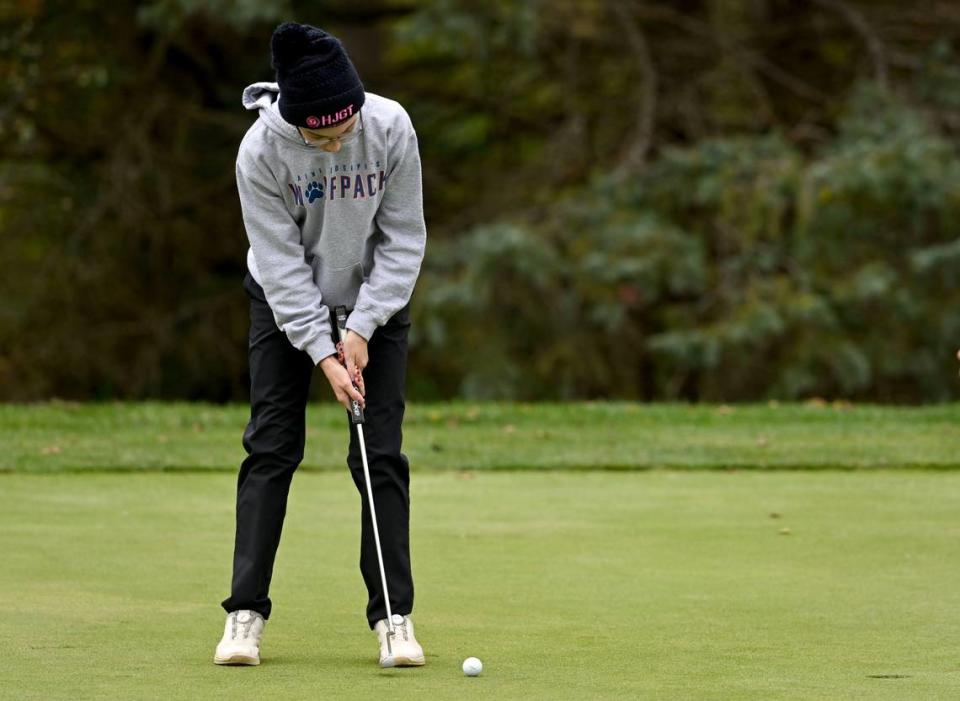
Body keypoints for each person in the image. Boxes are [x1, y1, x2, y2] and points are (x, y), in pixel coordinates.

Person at [213, 21, 427, 668]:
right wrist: (323, 352)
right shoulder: (260, 154)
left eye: (346, 129)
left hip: (376, 299)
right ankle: (243, 616)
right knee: (272, 446)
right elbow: (279, 269)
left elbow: (404, 239)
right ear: (294, 118)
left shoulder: (388, 128)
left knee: (378, 453)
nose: (339, 142)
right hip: (283, 302)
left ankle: (394, 617)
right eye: (323, 135)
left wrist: (361, 327)